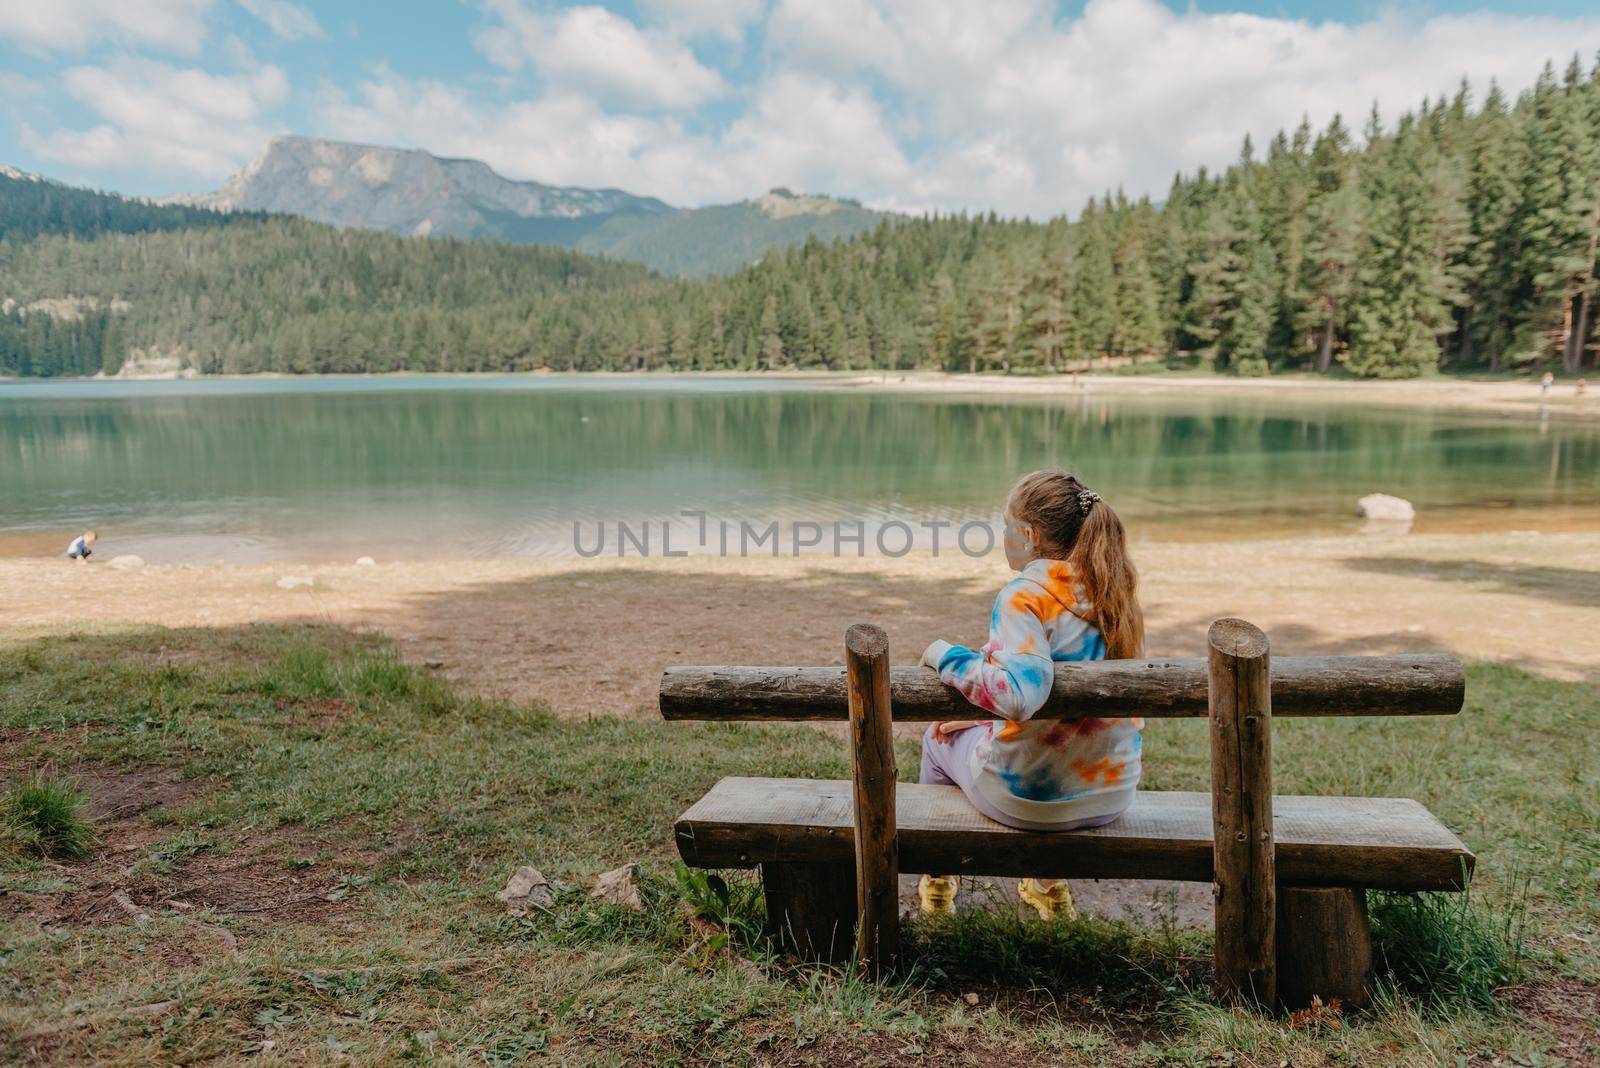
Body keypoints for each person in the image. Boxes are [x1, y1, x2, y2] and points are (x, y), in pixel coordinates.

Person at [916, 470, 1144, 921]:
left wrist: (944, 656)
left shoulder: (1025, 597)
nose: (1002, 536)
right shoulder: (1113, 590)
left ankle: (938, 877)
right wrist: (982, 718)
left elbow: (1020, 696)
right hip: (1111, 793)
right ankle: (1047, 887)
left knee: (935, 740)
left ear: (1028, 536)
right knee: (969, 731)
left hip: (1027, 799)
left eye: (1006, 525)